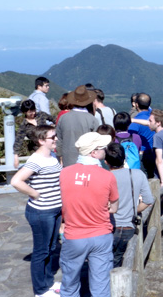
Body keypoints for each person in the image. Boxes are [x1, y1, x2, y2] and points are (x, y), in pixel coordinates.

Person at [59, 132, 119, 297]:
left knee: (69, 285)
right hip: (101, 234)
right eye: (102, 148)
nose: (105, 150)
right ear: (94, 153)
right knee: (101, 287)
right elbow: (114, 207)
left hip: (74, 235)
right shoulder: (108, 176)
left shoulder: (64, 173)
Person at [11, 125, 62, 297]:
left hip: (54, 210)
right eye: (52, 137)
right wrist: (35, 194)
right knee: (41, 251)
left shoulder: (52, 156)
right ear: (41, 141)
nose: (55, 139)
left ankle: (48, 283)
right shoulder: (36, 160)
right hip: (42, 213)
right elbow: (16, 181)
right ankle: (40, 290)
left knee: (51, 247)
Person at [105, 143, 154, 267]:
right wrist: (134, 210)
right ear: (125, 157)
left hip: (108, 227)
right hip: (129, 227)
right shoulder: (137, 174)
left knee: (105, 262)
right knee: (121, 259)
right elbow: (148, 200)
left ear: (106, 161)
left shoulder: (104, 177)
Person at [56, 85, 99, 167]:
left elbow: (59, 141)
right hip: (86, 161)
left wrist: (60, 157)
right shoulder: (92, 120)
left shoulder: (63, 118)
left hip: (67, 161)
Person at [14, 99, 55, 168]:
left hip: (49, 148)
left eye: (34, 110)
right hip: (36, 151)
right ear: (25, 112)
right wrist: (15, 157)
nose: (33, 113)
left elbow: (55, 119)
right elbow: (18, 141)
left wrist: (54, 129)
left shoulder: (42, 115)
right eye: (30, 112)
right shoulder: (24, 125)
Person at [128, 93, 155, 176]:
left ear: (136, 105)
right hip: (155, 153)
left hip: (142, 156)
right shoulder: (155, 119)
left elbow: (130, 140)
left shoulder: (134, 123)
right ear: (149, 104)